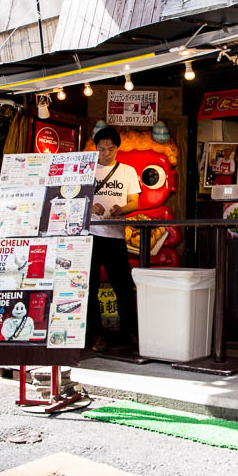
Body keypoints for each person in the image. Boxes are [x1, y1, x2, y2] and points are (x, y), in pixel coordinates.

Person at [87, 126, 141, 352]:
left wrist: (122, 209)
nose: (106, 153)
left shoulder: (127, 171)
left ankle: (131, 332)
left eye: (110, 149)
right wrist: (90, 204)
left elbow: (134, 202)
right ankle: (96, 334)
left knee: (124, 286)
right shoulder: (87, 170)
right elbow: (73, 196)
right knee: (89, 287)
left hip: (116, 235)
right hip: (89, 236)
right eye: (102, 149)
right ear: (95, 148)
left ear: (118, 148)